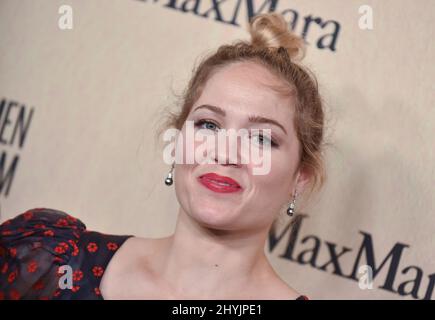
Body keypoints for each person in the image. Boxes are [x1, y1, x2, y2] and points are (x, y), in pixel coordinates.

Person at [0, 12, 326, 300]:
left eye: (260, 138)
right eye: (209, 124)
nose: (225, 153)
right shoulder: (49, 263)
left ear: (299, 179)